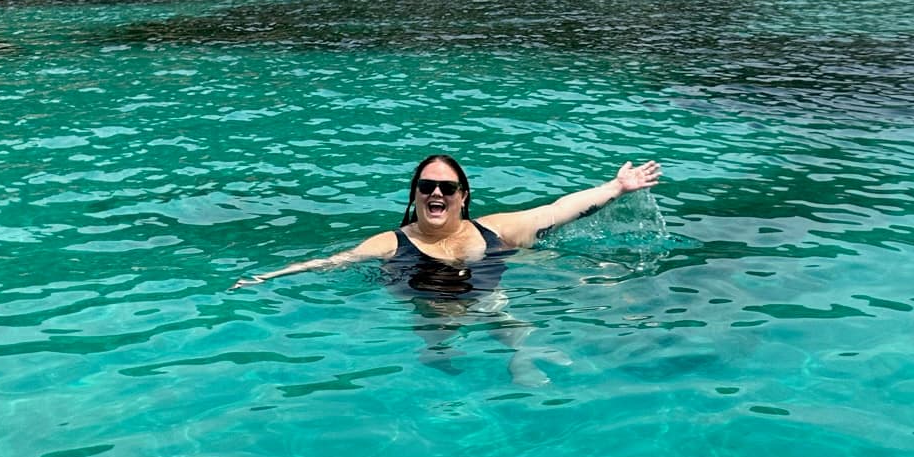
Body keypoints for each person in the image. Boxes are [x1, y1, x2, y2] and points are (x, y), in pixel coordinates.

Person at [235, 153, 661, 289]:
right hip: (427, 301)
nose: (436, 192)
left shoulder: (496, 229)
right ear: (414, 194)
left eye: (446, 187)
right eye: (426, 186)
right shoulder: (390, 243)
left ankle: (522, 359)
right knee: (437, 343)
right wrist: (269, 277)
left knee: (510, 323)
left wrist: (616, 187)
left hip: (487, 292)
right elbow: (333, 261)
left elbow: (557, 211)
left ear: (462, 196)